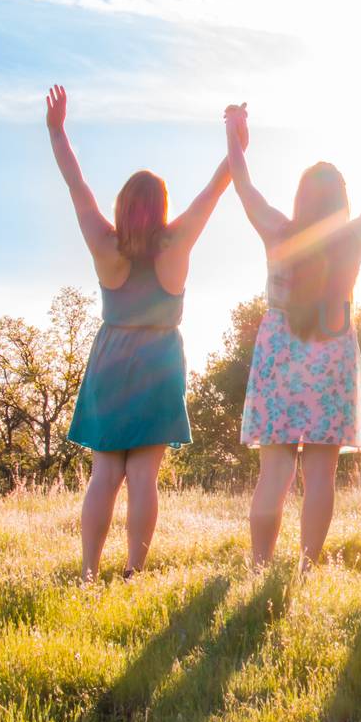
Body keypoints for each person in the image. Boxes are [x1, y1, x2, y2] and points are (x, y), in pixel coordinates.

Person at [47, 85, 240, 581]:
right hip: (158, 360)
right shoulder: (173, 246)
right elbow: (216, 190)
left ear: (122, 205)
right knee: (143, 477)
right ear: (159, 208)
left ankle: (90, 573)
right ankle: (133, 572)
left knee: (105, 473)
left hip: (111, 357)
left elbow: (76, 185)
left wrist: (57, 129)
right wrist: (236, 142)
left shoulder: (104, 245)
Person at [223, 104, 361, 571]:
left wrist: (235, 136)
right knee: (321, 473)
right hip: (332, 354)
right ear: (339, 202)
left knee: (275, 471)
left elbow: (244, 187)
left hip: (279, 354)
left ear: (301, 198)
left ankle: (260, 565)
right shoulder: (352, 238)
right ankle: (306, 567)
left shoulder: (278, 232)